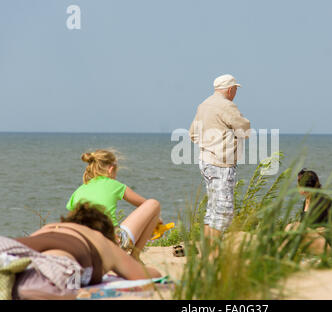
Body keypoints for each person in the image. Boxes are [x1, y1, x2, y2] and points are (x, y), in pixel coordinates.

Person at [0, 203, 161, 300]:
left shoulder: (49, 227)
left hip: (9, 249)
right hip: (53, 270)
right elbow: (144, 275)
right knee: (55, 279)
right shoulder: (100, 239)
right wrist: (156, 271)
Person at [66, 149, 162, 261]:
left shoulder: (78, 191)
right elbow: (144, 204)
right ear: (111, 169)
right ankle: (135, 257)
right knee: (154, 204)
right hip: (113, 243)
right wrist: (157, 220)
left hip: (88, 247)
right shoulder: (114, 185)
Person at [189, 74, 251, 241]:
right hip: (221, 163)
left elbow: (193, 134)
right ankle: (213, 249)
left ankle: (207, 246)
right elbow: (244, 129)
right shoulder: (227, 106)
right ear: (230, 89)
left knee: (213, 207)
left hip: (205, 161)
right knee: (224, 210)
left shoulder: (203, 105)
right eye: (236, 89)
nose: (236, 92)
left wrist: (208, 144)